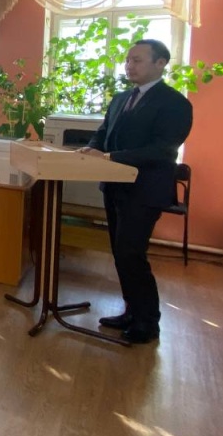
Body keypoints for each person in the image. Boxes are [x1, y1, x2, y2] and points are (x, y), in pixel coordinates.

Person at [79, 39, 193, 344]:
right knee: (120, 253)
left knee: (132, 253)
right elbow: (103, 133)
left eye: (137, 60)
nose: (129, 65)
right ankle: (131, 311)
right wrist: (91, 148)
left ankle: (148, 322)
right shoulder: (120, 99)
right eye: (128, 60)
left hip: (145, 190)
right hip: (114, 186)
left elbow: (162, 149)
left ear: (160, 63)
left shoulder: (174, 103)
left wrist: (109, 157)